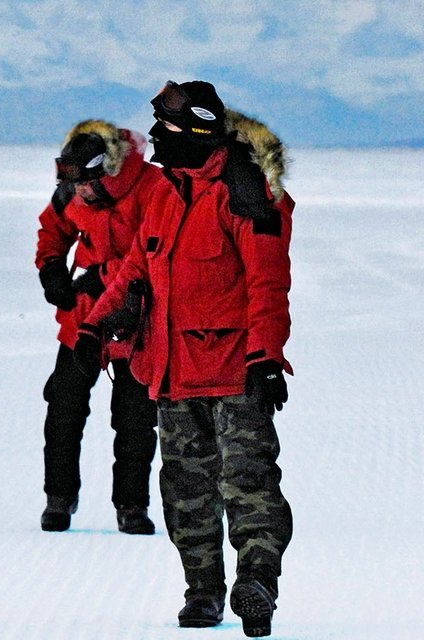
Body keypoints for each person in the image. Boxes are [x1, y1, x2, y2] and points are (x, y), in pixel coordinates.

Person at [73, 80, 294, 637]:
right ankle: (203, 592)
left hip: (236, 373)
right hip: (172, 375)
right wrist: (94, 327)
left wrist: (266, 358)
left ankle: (257, 584)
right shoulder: (165, 195)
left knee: (249, 485)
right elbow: (136, 269)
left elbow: (268, 283)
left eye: (167, 129)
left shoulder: (245, 191)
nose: (154, 137)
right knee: (185, 493)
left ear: (196, 131)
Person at [34, 119, 162, 534]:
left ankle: (132, 506)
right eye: (76, 186)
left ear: (108, 171)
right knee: (63, 406)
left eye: (87, 186)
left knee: (135, 415)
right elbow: (52, 228)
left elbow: (155, 253)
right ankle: (58, 499)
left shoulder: (153, 189)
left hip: (137, 317)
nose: (81, 194)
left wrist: (103, 276)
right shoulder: (73, 188)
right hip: (83, 316)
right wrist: (52, 268)